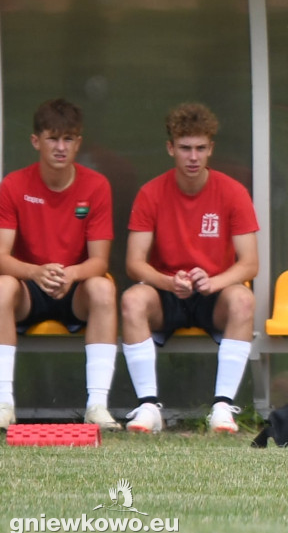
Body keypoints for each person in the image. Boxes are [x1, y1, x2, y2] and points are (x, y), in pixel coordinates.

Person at [120, 102, 258, 434]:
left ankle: (222, 408)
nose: (193, 156)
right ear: (171, 148)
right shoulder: (151, 193)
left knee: (243, 299)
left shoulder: (233, 192)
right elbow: (134, 263)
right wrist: (169, 282)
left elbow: (250, 263)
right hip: (168, 293)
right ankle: (148, 407)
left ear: (211, 148)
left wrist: (214, 281)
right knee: (132, 300)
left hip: (214, 294)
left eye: (200, 148)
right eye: (185, 148)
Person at [0, 98, 120, 431]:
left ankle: (97, 405)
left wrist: (72, 274)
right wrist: (35, 272)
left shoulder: (96, 186)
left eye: (69, 139)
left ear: (79, 142)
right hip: (29, 288)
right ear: (36, 141)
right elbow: (1, 257)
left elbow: (99, 261)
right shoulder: (13, 185)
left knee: (102, 287)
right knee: (1, 287)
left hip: (74, 288)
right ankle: (3, 404)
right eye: (53, 138)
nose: (61, 147)